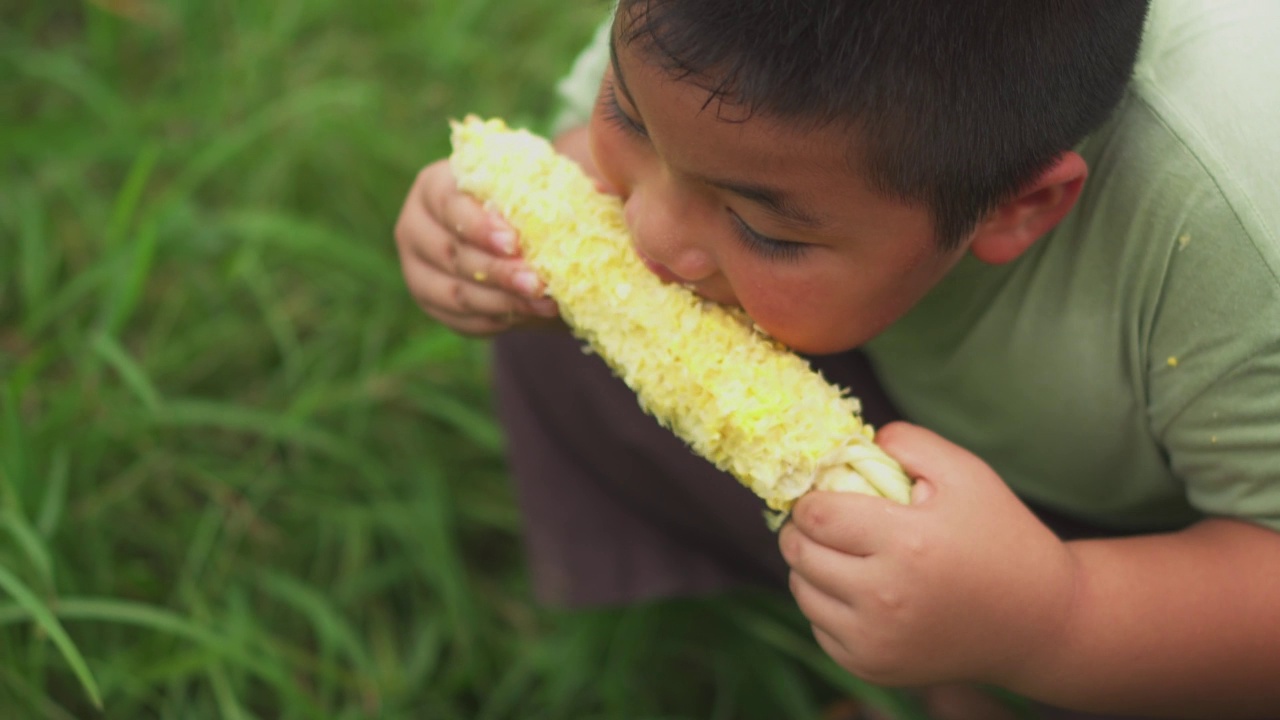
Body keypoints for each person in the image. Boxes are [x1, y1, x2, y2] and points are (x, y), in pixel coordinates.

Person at [394, 0, 1280, 717]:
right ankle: (937, 652)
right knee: (556, 346)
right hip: (920, 395)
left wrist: (1055, 621)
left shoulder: (1236, 220)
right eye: (630, 114)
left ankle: (992, 665)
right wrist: (492, 238)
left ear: (1018, 207)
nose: (649, 231)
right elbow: (599, 168)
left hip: (1168, 525)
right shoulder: (720, 38)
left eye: (760, 226)